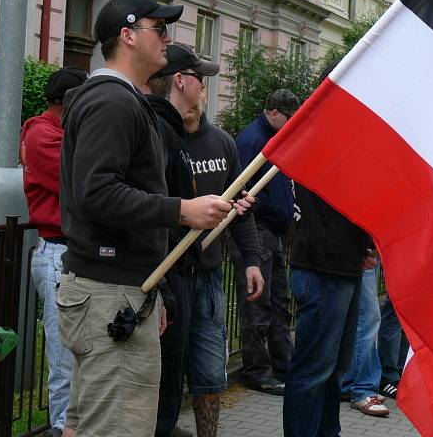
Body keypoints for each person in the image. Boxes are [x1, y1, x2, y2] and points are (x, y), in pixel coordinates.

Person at [57, 0, 235, 437]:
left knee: (89, 424)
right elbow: (96, 193)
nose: (167, 38)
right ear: (128, 36)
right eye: (159, 28)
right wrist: (182, 211)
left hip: (116, 291)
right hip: (109, 295)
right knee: (115, 427)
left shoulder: (118, 99)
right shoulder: (111, 102)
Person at [148, 44, 265, 437]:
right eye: (201, 80)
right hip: (167, 277)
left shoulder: (222, 143)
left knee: (211, 372)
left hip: (209, 280)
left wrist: (250, 259)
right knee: (165, 374)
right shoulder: (157, 137)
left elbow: (237, 209)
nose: (205, 89)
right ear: (180, 81)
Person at [21, 66, 88, 437]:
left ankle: (70, 425)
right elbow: (83, 179)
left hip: (71, 253)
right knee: (63, 357)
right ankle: (61, 426)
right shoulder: (44, 136)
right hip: (57, 254)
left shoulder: (59, 133)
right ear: (69, 103)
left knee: (75, 353)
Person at [283, 182, 381, 436]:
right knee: (315, 370)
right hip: (323, 269)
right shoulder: (325, 148)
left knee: (334, 369)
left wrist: (363, 245)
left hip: (343, 267)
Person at [234, 89, 300, 395]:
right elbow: (240, 190)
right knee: (258, 301)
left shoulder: (268, 138)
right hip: (257, 229)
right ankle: (256, 369)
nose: (291, 126)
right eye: (288, 119)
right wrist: (276, 210)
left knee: (277, 300)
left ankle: (283, 364)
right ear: (273, 113)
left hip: (269, 230)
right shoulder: (253, 141)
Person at [341, 267, 390, 417]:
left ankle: (350, 385)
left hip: (363, 252)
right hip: (361, 251)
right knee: (368, 317)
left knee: (361, 319)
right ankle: (363, 389)